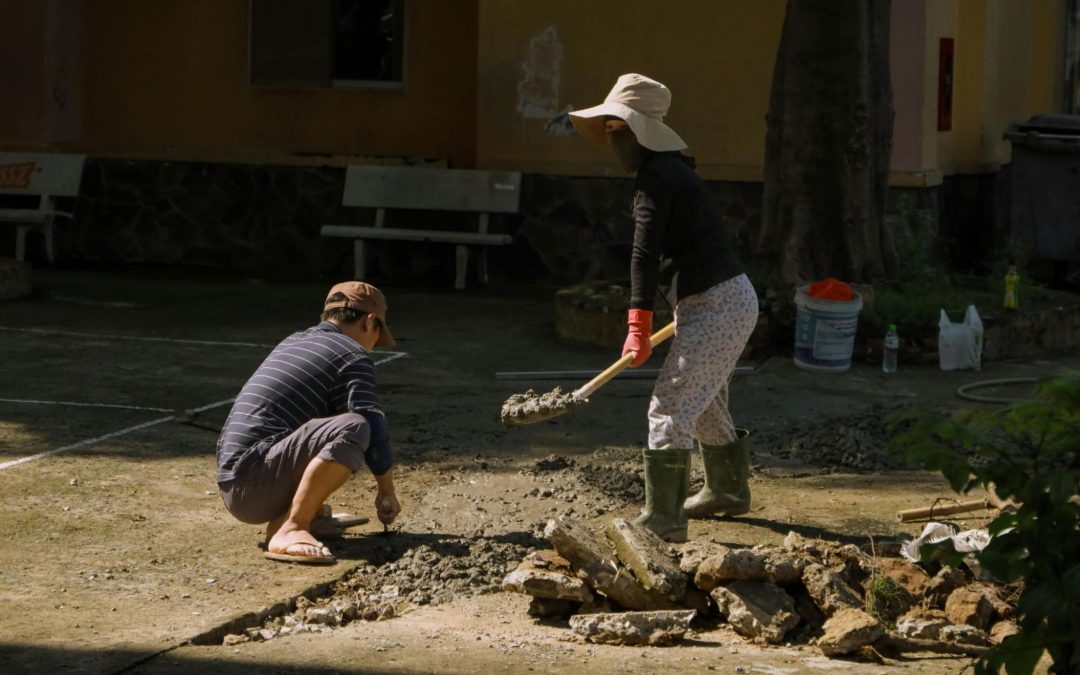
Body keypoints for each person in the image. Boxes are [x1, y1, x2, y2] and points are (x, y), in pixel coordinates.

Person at [569, 74, 759, 542]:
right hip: (718, 302)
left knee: (670, 405)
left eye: (616, 128)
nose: (611, 138)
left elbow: (644, 253)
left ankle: (665, 517)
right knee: (706, 402)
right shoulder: (669, 171)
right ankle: (727, 491)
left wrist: (637, 324)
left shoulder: (659, 177)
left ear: (637, 131)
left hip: (720, 305)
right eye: (609, 127)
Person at [216, 281, 401, 564]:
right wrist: (386, 492)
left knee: (333, 422)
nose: (375, 344)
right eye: (378, 334)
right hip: (252, 483)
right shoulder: (351, 354)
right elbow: (372, 425)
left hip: (235, 482)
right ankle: (292, 526)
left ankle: (300, 518)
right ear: (370, 321)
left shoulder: (294, 341)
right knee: (355, 426)